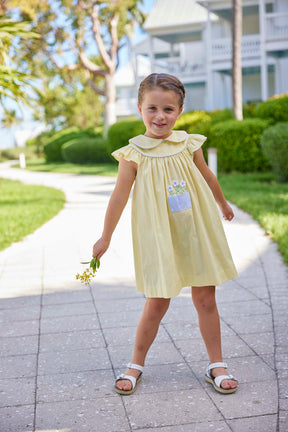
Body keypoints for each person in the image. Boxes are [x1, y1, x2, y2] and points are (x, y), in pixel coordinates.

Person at [92, 73, 238, 396]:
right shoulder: (134, 153)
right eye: (153, 108)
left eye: (168, 110)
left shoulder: (189, 143)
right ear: (140, 109)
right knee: (157, 301)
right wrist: (105, 237)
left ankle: (217, 363)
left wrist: (223, 203)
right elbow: (118, 197)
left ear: (180, 111)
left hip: (196, 230)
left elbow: (207, 175)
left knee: (205, 298)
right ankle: (135, 364)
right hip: (160, 236)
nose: (160, 116)